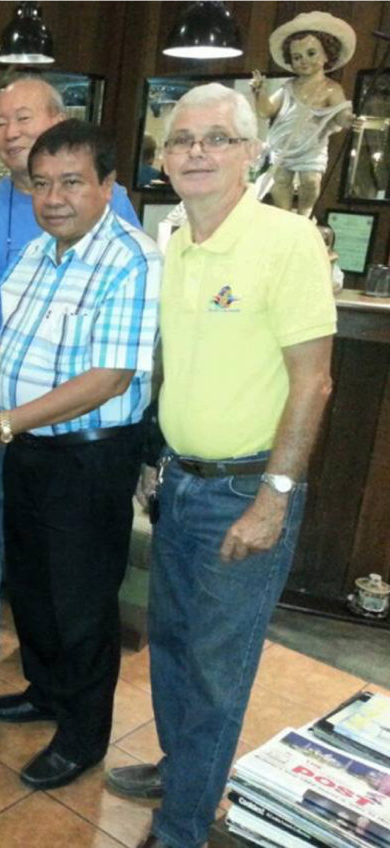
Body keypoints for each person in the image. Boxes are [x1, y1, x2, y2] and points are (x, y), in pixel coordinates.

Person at [104, 83, 336, 848]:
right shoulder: (174, 239)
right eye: (181, 140)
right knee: (171, 645)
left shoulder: (286, 240)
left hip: (245, 488)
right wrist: (153, 457)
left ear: (251, 153)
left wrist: (274, 497)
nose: (196, 152)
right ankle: (182, 770)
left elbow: (314, 379)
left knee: (215, 668)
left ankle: (183, 827)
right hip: (179, 480)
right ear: (163, 157)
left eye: (217, 139)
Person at [0, 120, 160, 789]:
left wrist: (6, 424)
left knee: (81, 600)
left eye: (72, 182)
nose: (54, 198)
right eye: (43, 183)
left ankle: (83, 734)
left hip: (88, 456)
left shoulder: (130, 260)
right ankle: (46, 692)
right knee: (35, 589)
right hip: (30, 447)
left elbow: (108, 378)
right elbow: (11, 354)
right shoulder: (39, 255)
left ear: (108, 186)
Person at [0, 75, 141, 684]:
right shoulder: (8, 225)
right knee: (6, 549)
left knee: (75, 576)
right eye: (0, 122)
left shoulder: (119, 232)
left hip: (77, 429)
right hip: (7, 405)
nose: (9, 132)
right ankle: (14, 664)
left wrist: (1, 419)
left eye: (24, 118)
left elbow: (113, 366)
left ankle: (76, 717)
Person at [251, 11, 355, 218]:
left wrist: (350, 120)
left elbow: (341, 114)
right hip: (282, 145)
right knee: (280, 181)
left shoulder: (331, 89)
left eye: (311, 53)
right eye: (297, 57)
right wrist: (259, 92)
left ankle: (305, 215)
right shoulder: (288, 87)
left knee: (311, 181)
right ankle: (284, 216)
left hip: (311, 147)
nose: (304, 61)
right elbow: (266, 111)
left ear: (327, 54)